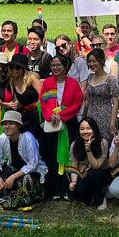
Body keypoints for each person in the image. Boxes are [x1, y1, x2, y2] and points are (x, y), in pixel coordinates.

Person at [40, 53, 84, 199]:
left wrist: (63, 115)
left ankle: (68, 189)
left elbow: (78, 103)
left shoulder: (73, 83)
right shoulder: (47, 83)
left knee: (69, 154)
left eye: (58, 65)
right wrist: (50, 115)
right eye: (53, 65)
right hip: (52, 124)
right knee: (52, 155)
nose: (55, 68)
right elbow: (44, 102)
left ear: (66, 67)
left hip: (68, 123)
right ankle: (54, 190)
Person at [0, 110, 47, 209]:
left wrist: (13, 177)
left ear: (19, 125)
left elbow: (33, 164)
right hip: (13, 170)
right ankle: (6, 196)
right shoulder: (2, 138)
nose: (7, 126)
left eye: (11, 123)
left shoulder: (28, 138)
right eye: (5, 124)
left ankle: (30, 195)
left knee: (26, 181)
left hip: (31, 172)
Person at [67, 117, 112, 209]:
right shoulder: (74, 145)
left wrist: (88, 150)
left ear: (94, 129)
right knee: (78, 191)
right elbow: (74, 166)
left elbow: (97, 166)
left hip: (101, 172)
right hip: (84, 172)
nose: (85, 132)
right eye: (82, 129)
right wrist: (74, 182)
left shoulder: (102, 143)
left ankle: (100, 199)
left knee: (93, 175)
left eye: (88, 128)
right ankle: (90, 196)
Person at [84, 48, 119, 141]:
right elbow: (88, 100)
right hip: (92, 115)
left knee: (105, 142)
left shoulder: (110, 79)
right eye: (89, 61)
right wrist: (85, 117)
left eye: (94, 61)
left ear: (101, 61)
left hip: (106, 116)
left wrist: (112, 122)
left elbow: (115, 103)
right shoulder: (90, 77)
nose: (91, 64)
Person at [8, 53, 42, 137]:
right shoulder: (12, 81)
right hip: (24, 116)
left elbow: (44, 96)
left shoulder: (32, 78)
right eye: (12, 67)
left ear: (23, 68)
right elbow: (17, 101)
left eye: (18, 67)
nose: (14, 70)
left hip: (37, 115)